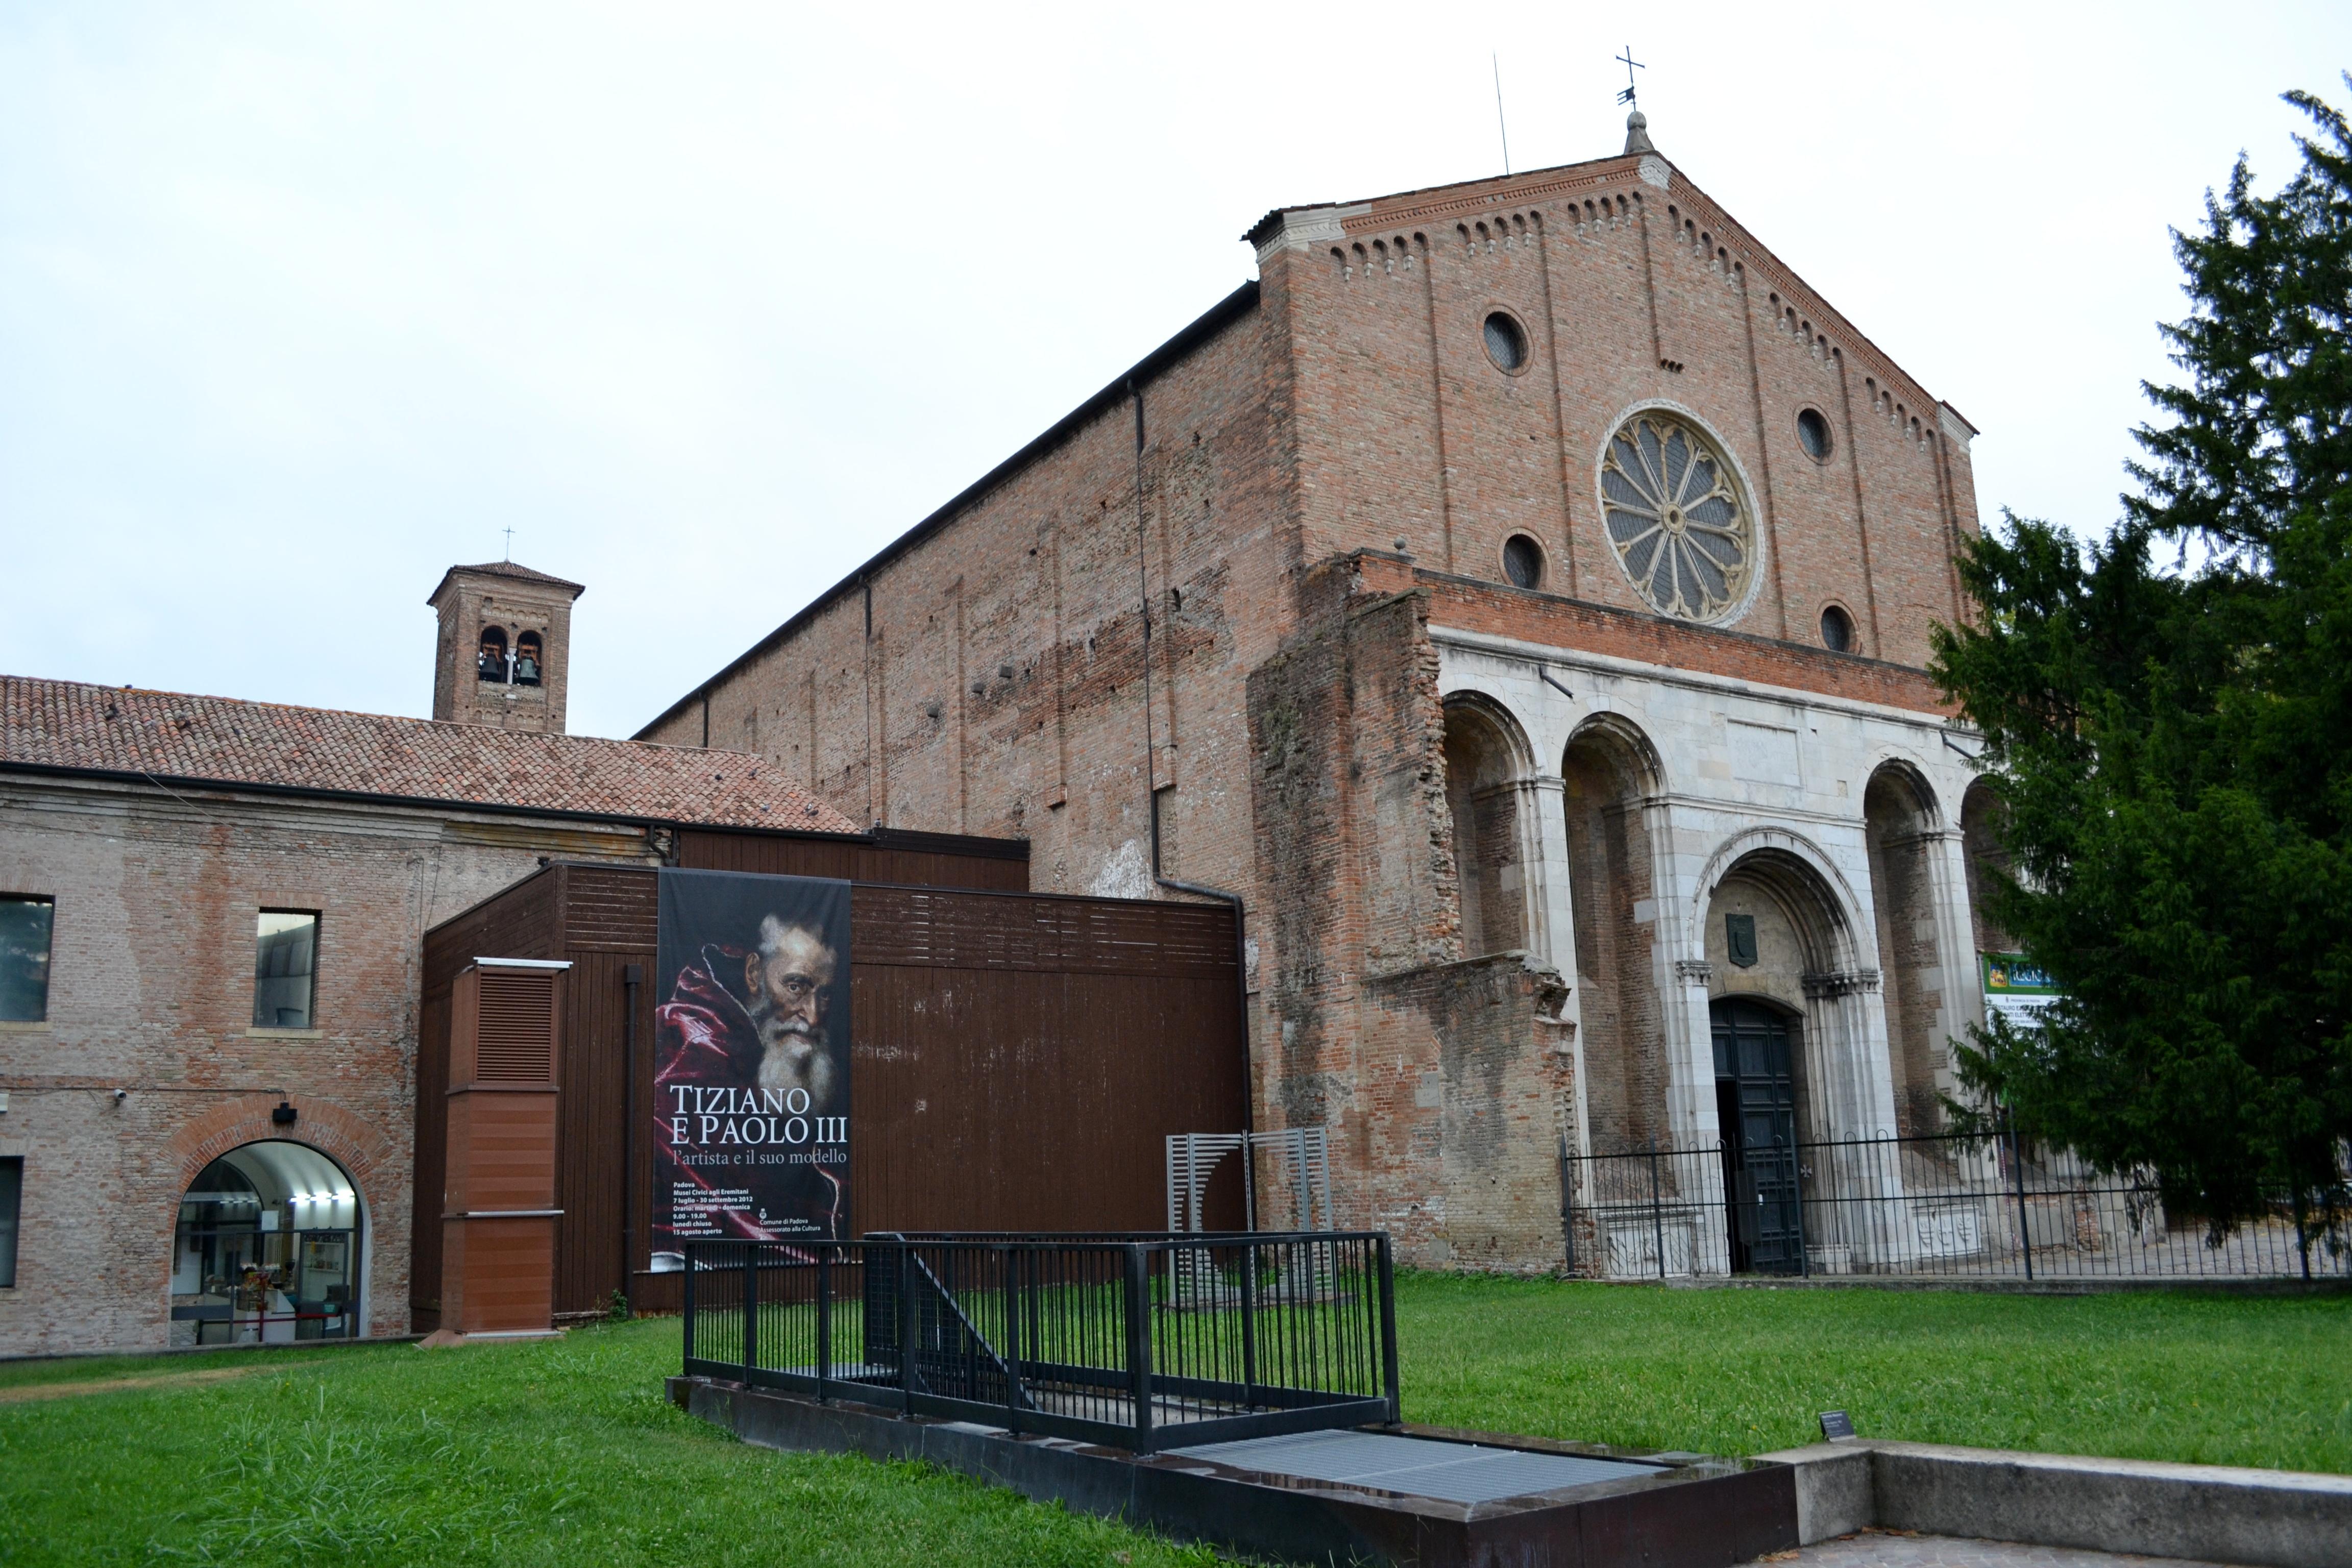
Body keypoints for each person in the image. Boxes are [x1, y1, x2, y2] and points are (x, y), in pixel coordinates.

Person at [653, 914, 843, 1240]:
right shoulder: (689, 1048)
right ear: (754, 973)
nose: (813, 1017)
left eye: (824, 995)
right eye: (796, 986)